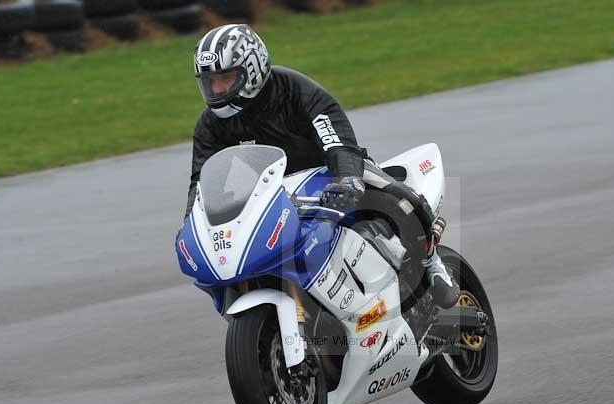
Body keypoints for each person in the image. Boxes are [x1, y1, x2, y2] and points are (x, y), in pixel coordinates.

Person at [187, 24, 458, 308]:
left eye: (225, 79)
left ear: (252, 70)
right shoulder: (210, 124)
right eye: (209, 82)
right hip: (274, 196)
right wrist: (193, 223)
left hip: (330, 175)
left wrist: (347, 179)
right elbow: (201, 182)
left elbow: (337, 140)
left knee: (397, 199)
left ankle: (431, 262)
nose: (216, 90)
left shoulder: (295, 91)